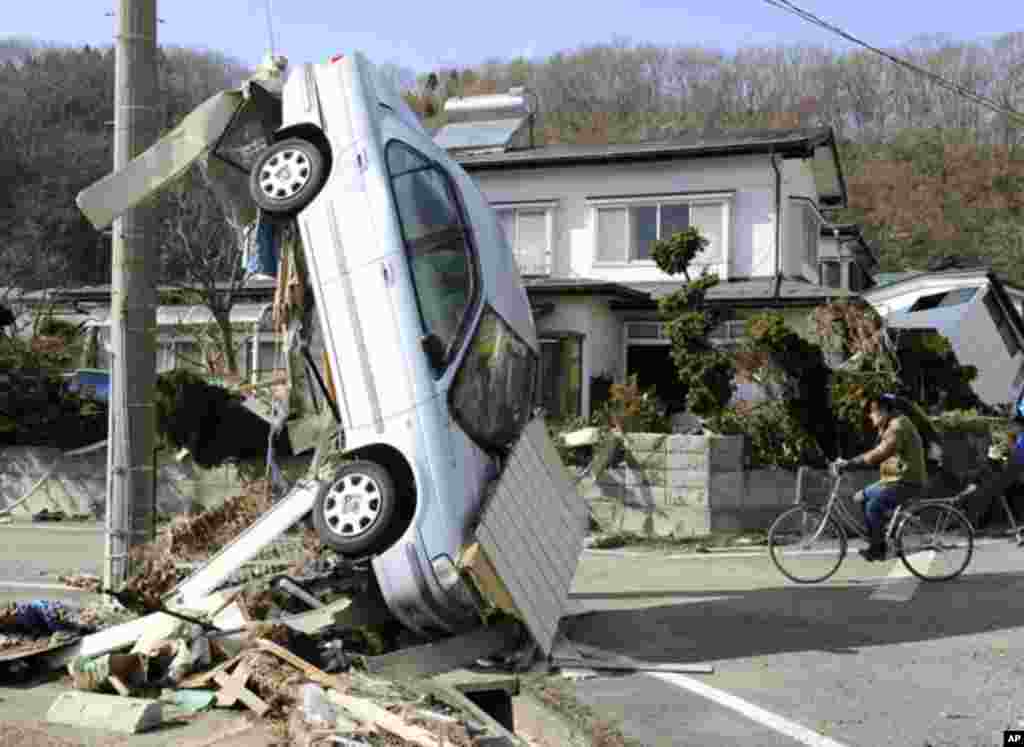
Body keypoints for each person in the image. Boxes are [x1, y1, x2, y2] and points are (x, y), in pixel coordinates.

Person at [837, 393, 927, 561]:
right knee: (861, 497)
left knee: (873, 506)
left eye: (873, 411)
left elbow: (880, 453)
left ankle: (879, 549)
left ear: (884, 411)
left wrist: (850, 463)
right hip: (894, 478)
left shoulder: (897, 426)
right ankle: (879, 536)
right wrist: (850, 462)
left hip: (907, 481)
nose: (870, 415)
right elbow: (875, 453)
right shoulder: (888, 426)